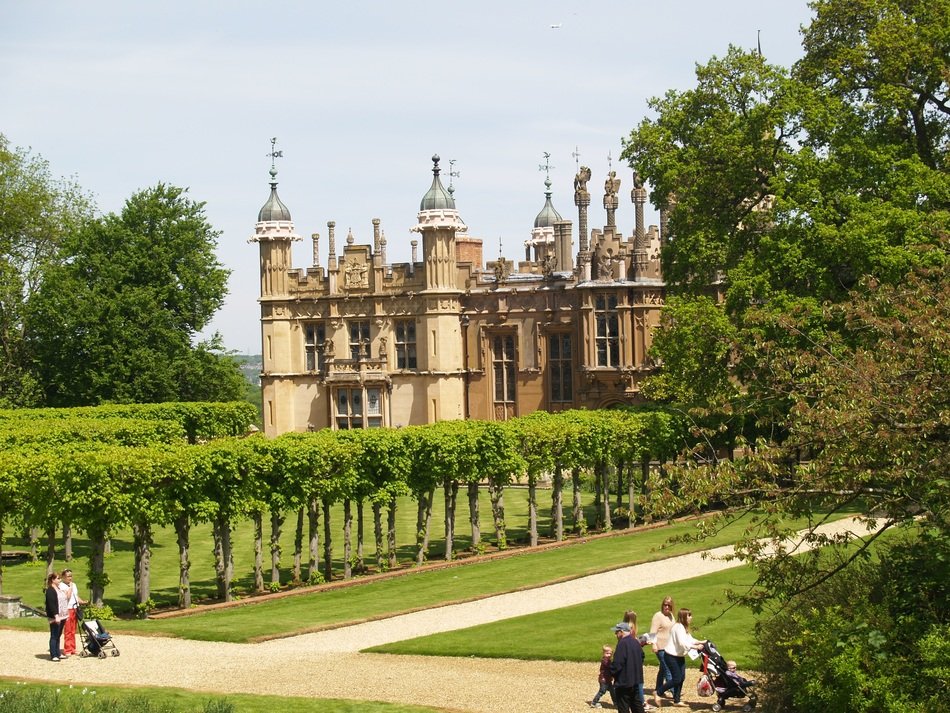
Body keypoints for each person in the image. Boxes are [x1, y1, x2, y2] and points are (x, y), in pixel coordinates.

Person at [657, 608, 706, 708]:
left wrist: (701, 642)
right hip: (671, 656)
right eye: (689, 615)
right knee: (676, 679)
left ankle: (677, 700)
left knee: (681, 678)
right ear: (684, 617)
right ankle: (658, 692)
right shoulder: (678, 627)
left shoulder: (683, 627)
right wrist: (696, 647)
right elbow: (682, 642)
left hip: (679, 656)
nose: (691, 617)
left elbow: (690, 639)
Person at [609, 621, 645, 713]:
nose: (616, 634)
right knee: (637, 705)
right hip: (635, 680)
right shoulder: (636, 642)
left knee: (623, 707)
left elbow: (618, 663)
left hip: (624, 682)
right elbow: (642, 656)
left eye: (617, 632)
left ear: (621, 632)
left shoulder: (622, 644)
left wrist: (610, 672)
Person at [650, 596, 675, 705]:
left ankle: (658, 688)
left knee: (663, 669)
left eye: (669, 605)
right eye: (665, 605)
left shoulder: (671, 616)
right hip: (660, 647)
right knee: (668, 670)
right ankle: (675, 693)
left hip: (669, 647)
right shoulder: (658, 616)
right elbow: (652, 632)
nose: (666, 607)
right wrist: (654, 644)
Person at [58, 568, 86, 657]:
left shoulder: (74, 585)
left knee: (73, 629)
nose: (70, 578)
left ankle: (73, 648)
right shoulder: (61, 586)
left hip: (75, 608)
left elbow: (75, 596)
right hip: (67, 609)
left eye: (71, 576)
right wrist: (69, 587)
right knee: (68, 630)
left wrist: (82, 601)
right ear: (63, 577)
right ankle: (67, 649)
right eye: (68, 576)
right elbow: (67, 597)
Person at [44, 573, 68, 662]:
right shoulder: (50, 590)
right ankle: (53, 654)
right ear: (53, 580)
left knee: (58, 635)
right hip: (55, 616)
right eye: (58, 578)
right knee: (54, 635)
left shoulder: (59, 589)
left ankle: (58, 652)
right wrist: (56, 615)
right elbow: (51, 604)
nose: (60, 580)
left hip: (63, 616)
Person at [588, 644, 614, 708]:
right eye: (607, 653)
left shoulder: (608, 660)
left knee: (613, 691)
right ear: (603, 653)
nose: (609, 655)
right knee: (602, 691)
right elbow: (610, 667)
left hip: (607, 679)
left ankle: (616, 702)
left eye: (610, 653)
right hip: (604, 679)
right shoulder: (605, 661)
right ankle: (594, 702)